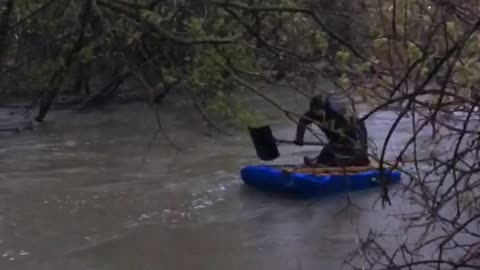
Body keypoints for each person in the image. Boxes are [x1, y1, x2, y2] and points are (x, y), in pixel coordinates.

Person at [293, 94, 370, 167]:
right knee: (324, 156)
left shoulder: (337, 112)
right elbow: (302, 121)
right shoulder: (313, 113)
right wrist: (299, 138)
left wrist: (364, 144)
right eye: (314, 111)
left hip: (348, 139)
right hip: (334, 141)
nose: (316, 114)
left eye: (318, 111)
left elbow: (360, 124)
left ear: (325, 108)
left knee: (335, 157)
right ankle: (318, 163)